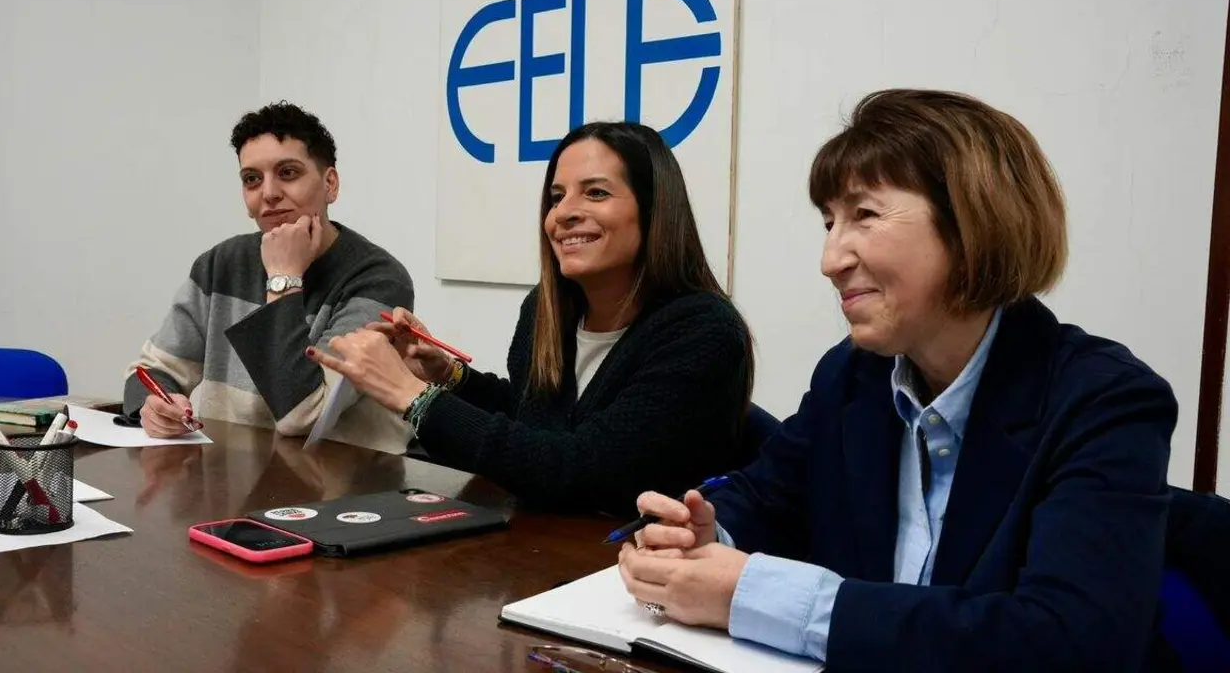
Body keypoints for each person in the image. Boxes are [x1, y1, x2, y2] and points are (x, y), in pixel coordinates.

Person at [618, 89, 1177, 671]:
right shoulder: (852, 375)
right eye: (829, 223)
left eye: (864, 215)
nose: (830, 259)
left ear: (973, 222)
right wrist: (703, 531)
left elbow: (1069, 644)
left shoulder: (1105, 401)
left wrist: (759, 597)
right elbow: (765, 494)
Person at [307, 121, 755, 516]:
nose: (564, 213)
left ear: (655, 210)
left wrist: (414, 398)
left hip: (636, 575)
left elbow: (582, 471)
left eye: (596, 192)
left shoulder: (704, 331)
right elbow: (534, 423)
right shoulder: (546, 309)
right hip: (540, 551)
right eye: (557, 197)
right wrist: (448, 377)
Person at [122, 102, 415, 452]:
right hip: (235, 477)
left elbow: (301, 414)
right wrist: (155, 404)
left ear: (330, 184)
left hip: (342, 488)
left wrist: (283, 277)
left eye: (288, 173)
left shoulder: (378, 278)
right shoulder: (221, 264)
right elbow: (149, 370)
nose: (269, 193)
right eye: (252, 179)